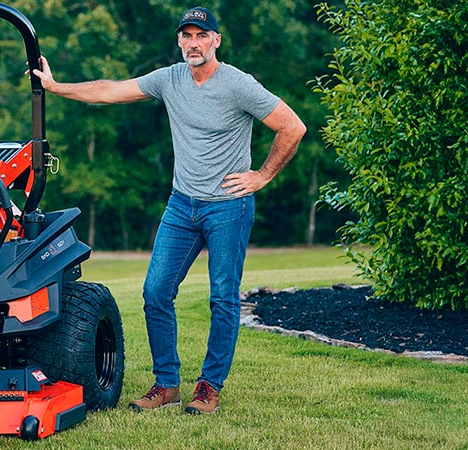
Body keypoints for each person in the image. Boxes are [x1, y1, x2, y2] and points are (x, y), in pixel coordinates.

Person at [30, 6, 305, 414]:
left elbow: (292, 126)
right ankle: (167, 384)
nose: (193, 43)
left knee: (223, 298)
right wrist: (55, 86)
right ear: (179, 41)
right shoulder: (169, 79)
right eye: (187, 36)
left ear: (216, 41)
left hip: (228, 207)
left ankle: (209, 387)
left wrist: (261, 176)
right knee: (156, 292)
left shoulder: (239, 85)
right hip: (182, 205)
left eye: (201, 35)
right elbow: (110, 89)